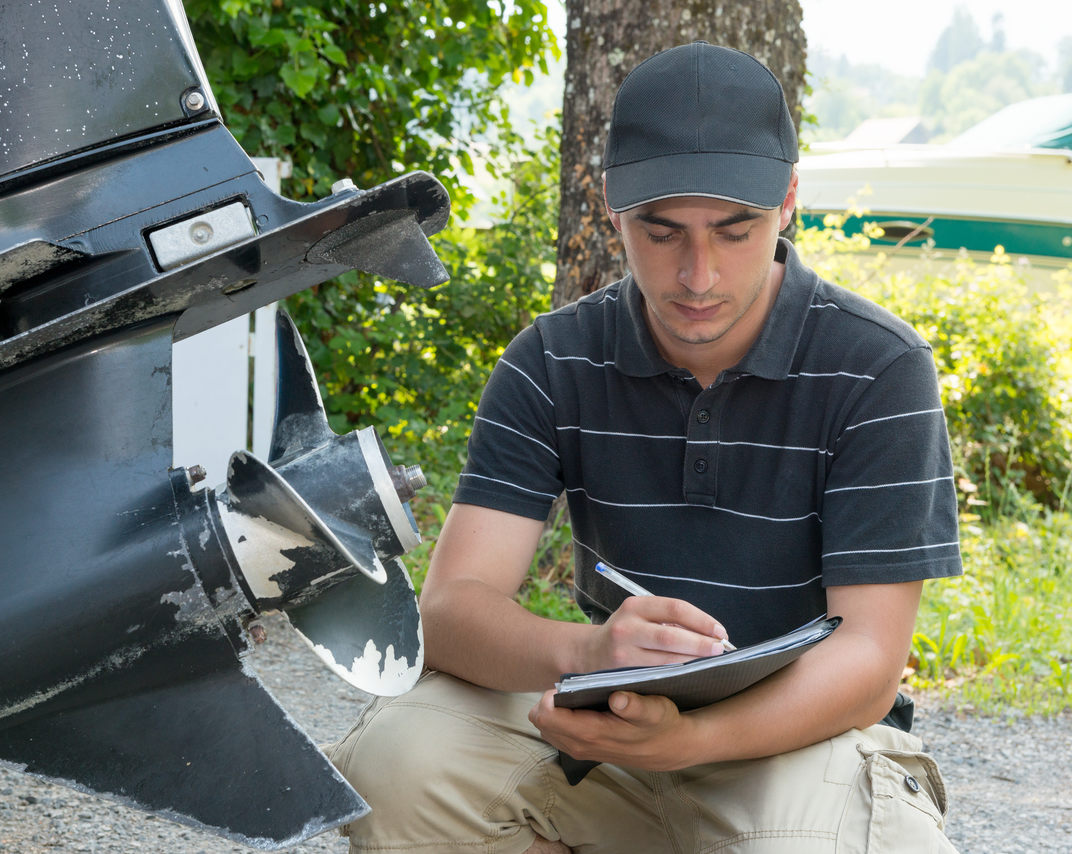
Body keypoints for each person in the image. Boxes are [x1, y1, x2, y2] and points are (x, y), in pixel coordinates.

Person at [328, 41, 962, 853]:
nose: (698, 276)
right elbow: (450, 611)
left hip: (802, 737)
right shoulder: (552, 359)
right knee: (397, 764)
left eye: (734, 232)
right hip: (613, 724)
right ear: (611, 207)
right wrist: (591, 650)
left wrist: (693, 740)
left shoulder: (879, 366)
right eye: (662, 234)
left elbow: (869, 661)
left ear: (788, 202)